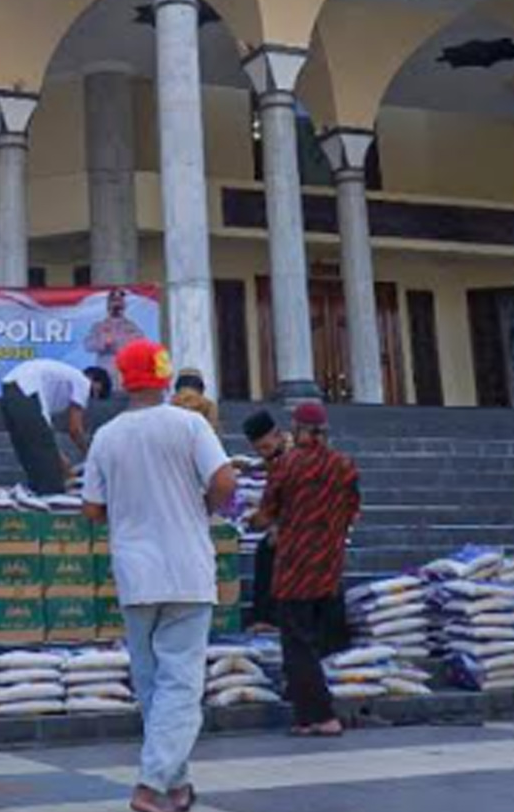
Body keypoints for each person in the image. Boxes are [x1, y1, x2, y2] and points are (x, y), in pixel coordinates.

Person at [82, 339, 237, 812]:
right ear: (165, 376)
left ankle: (177, 786)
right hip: (187, 569)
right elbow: (226, 481)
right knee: (181, 685)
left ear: (125, 379)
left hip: (136, 574)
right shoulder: (189, 424)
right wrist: (200, 509)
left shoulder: (106, 436)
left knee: (154, 686)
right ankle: (151, 785)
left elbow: (91, 508)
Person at [254, 401, 361, 737]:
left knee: (297, 645)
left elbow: (267, 512)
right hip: (328, 565)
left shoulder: (287, 466)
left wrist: (254, 520)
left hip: (296, 566)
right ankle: (305, 718)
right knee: (315, 642)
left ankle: (323, 717)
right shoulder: (344, 466)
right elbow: (353, 510)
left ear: (298, 429)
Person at [0, 357, 93, 495]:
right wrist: (91, 455)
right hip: (26, 388)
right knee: (51, 475)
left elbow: (42, 432)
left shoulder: (60, 382)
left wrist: (59, 457)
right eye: (95, 393)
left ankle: (35, 493)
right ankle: (51, 497)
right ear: (94, 380)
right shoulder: (84, 381)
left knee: (28, 451)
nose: (89, 398)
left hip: (8, 388)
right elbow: (75, 429)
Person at [240, 410, 291, 632]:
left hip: (306, 527)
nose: (263, 454)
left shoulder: (295, 459)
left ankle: (268, 618)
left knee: (269, 549)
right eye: (258, 450)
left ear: (278, 436)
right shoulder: (275, 459)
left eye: (265, 448)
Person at [83, 288, 145, 376]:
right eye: (114, 301)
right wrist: (103, 342)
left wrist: (123, 344)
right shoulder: (99, 326)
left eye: (119, 301)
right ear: (108, 304)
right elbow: (87, 345)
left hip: (126, 370)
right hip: (106, 369)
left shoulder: (132, 327)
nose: (117, 304)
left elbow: (141, 344)